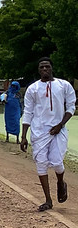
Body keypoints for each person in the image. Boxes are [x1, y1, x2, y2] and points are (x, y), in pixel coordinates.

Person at [20, 57, 73, 212]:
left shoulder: (64, 85)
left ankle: (61, 182)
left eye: (47, 67)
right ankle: (48, 200)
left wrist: (60, 125)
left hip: (58, 130)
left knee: (57, 161)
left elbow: (70, 107)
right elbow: (28, 112)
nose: (44, 69)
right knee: (41, 163)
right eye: (41, 67)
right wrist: (23, 136)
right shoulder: (33, 89)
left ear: (52, 68)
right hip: (39, 131)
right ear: (38, 70)